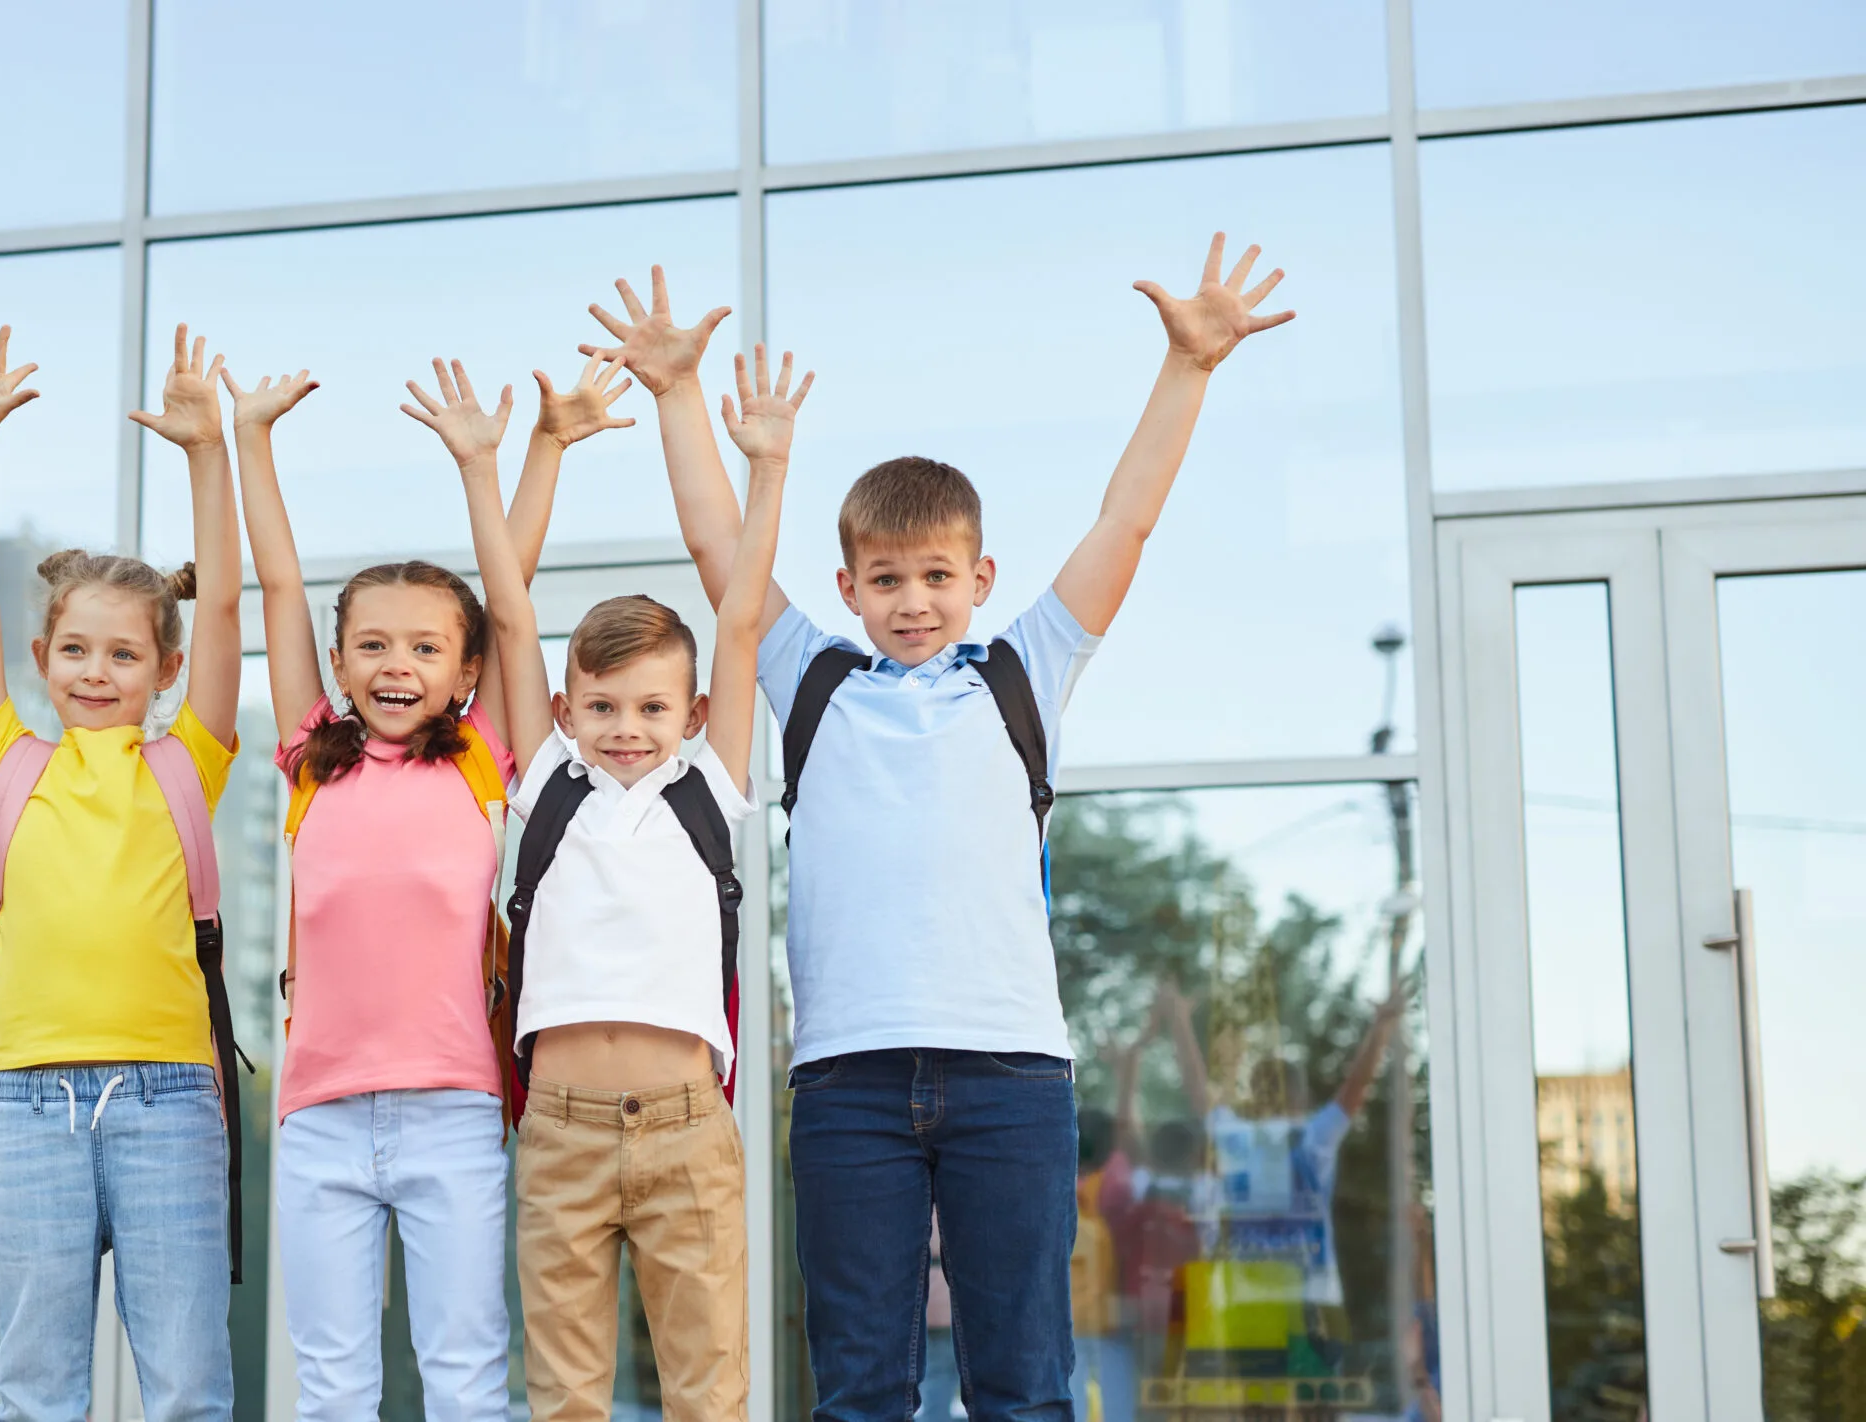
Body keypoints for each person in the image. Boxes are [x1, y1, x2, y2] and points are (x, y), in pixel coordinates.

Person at [593, 237, 1294, 1420]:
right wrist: (674, 395)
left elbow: (1122, 527)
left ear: (978, 577)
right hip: (846, 1080)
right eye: (884, 579)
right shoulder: (813, 683)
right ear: (849, 584)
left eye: (933, 576)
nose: (910, 600)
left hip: (1010, 1075)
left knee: (1022, 1383)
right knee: (860, 1384)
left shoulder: (1025, 671)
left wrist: (1188, 370)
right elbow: (725, 552)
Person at [409, 343, 805, 1422]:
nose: (625, 729)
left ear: (688, 715)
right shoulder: (547, 780)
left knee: (709, 1393)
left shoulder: (708, 784)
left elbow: (740, 620)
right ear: (567, 708)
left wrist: (765, 469)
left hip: (689, 1126)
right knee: (568, 1397)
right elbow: (508, 608)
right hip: (561, 1127)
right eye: (601, 707)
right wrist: (480, 470)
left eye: (649, 709)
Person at [244, 349, 631, 1422]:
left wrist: (502, 459)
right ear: (339, 660)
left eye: (423, 646)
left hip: (453, 1109)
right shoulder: (310, 754)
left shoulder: (482, 760)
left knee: (464, 1381)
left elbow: (512, 608)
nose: (395, 663)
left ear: (463, 676)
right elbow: (276, 583)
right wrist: (251, 441)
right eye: (371, 644)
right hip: (318, 1116)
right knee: (333, 1390)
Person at [0, 323, 246, 1420]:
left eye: (125, 654)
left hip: (168, 1100)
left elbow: (222, 607)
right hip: (29, 1104)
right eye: (75, 650)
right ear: (43, 661)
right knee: (35, 1386)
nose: (97, 670)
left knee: (184, 1387)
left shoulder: (186, 765)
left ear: (164, 672)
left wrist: (205, 454)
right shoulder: (6, 765)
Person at [1164, 975, 1412, 1371]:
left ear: (1254, 1095)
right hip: (1310, 1303)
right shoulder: (1311, 1138)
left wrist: (1178, 1021)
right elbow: (1354, 1090)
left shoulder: (1235, 1138)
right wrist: (1381, 1027)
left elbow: (1197, 1089)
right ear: (1299, 1097)